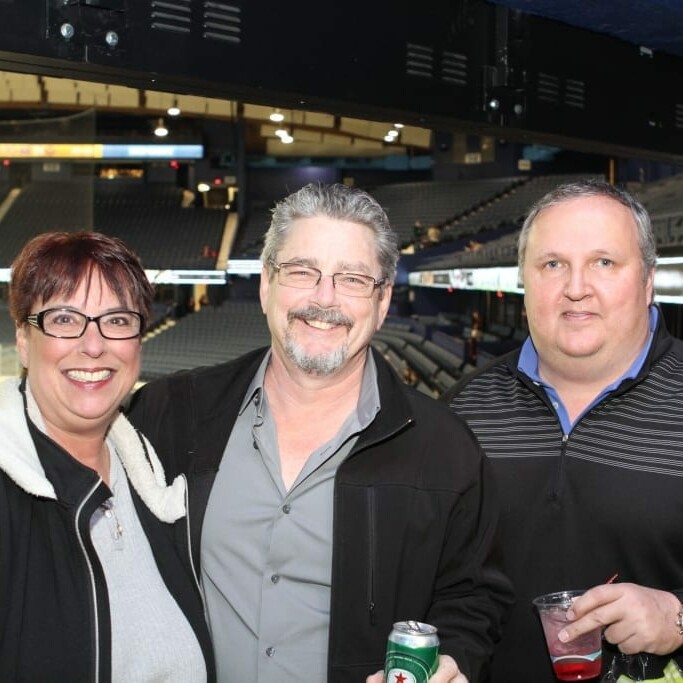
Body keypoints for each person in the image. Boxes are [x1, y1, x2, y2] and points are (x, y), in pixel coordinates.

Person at [127, 182, 514, 683]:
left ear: (382, 301)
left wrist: (455, 660)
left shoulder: (446, 449)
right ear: (266, 284)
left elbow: (473, 598)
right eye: (302, 271)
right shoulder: (172, 412)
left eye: (352, 279)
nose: (323, 298)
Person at [446, 179, 683, 682]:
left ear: (647, 281)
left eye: (604, 262)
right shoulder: (467, 408)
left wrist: (677, 617)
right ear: (524, 282)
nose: (576, 287)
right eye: (552, 264)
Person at [0, 231, 215, 682]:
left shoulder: (155, 478)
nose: (93, 345)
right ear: (23, 338)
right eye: (64, 319)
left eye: (116, 320)